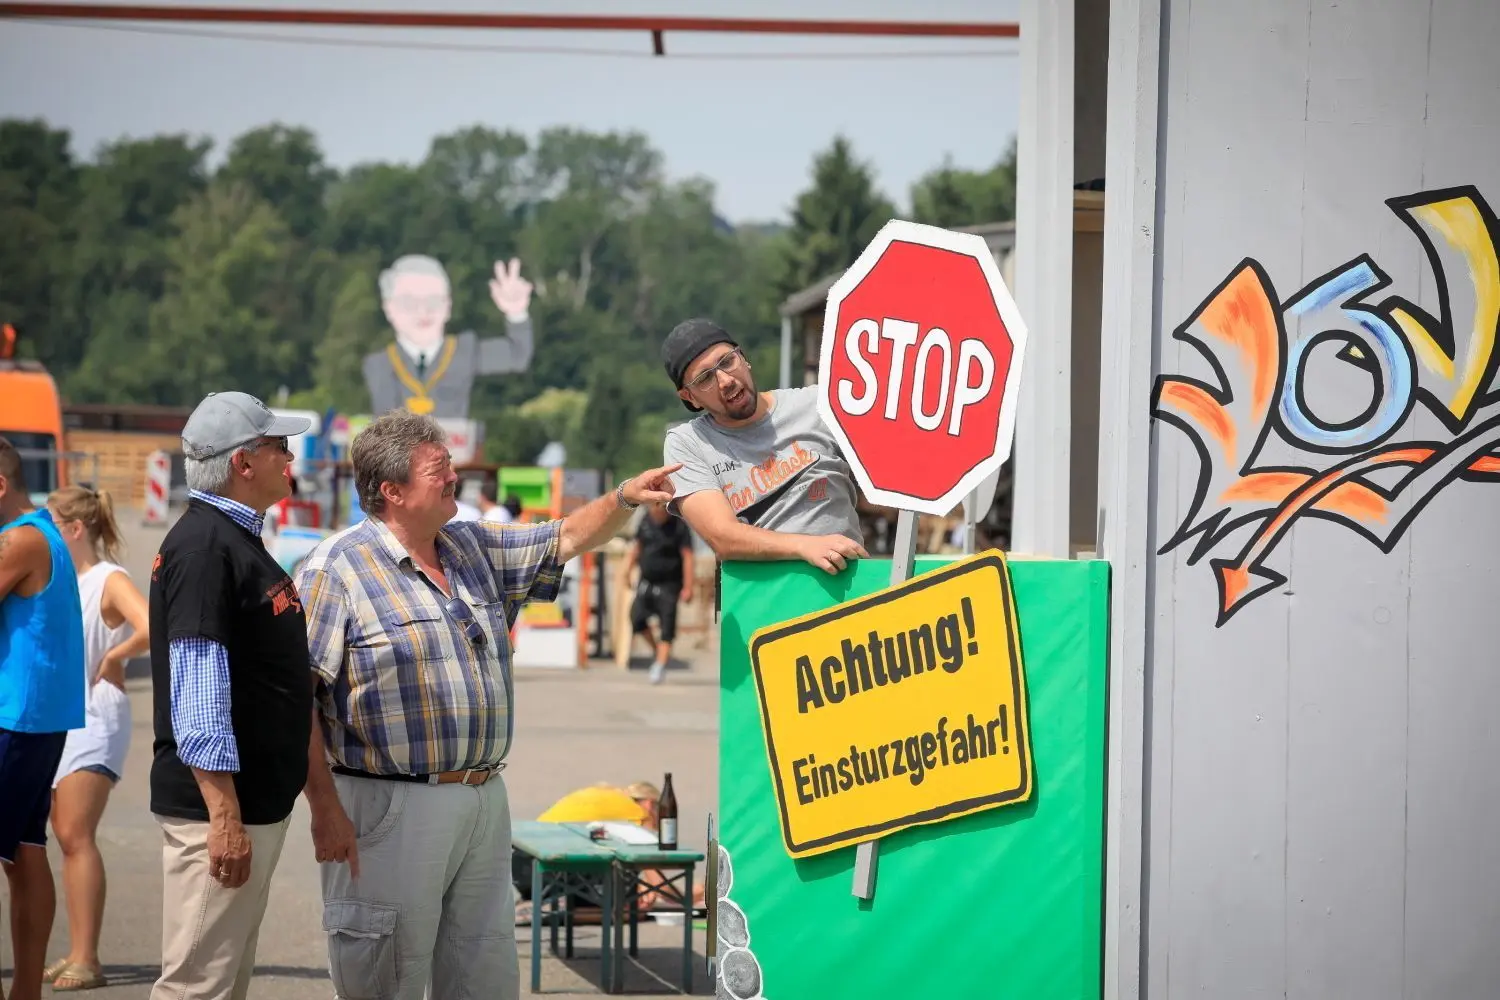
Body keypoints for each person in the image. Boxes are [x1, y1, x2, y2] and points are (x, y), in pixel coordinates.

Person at [294, 409, 680, 1000]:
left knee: (483, 976)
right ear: (392, 491)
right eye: (438, 469)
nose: (455, 479)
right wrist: (324, 808)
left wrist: (626, 496)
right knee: (384, 979)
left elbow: (568, 536)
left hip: (481, 801)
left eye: (450, 464)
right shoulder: (335, 569)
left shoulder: (472, 546)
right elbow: (296, 697)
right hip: (388, 806)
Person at [147, 391, 312, 1000]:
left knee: (220, 983)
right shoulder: (207, 548)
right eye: (277, 445)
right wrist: (225, 819)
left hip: (248, 806)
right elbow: (198, 694)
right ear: (243, 463)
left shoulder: (230, 541)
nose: (289, 454)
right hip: (217, 813)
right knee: (195, 987)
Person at [40, 486, 149, 993]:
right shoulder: (61, 578)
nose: (43, 532)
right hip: (56, 717)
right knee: (57, 836)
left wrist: (115, 656)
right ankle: (74, 950)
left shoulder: (108, 577)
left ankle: (88, 957)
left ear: (75, 530)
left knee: (73, 833)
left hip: (96, 714)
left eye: (51, 523)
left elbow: (151, 625)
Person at [660, 318, 868, 575]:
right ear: (689, 397)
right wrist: (806, 547)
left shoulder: (818, 404)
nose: (726, 380)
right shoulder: (688, 443)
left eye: (727, 361)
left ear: (743, 357)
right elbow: (723, 538)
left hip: (849, 590)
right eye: (705, 378)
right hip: (760, 606)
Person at [0, 436, 86, 1000]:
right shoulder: (44, 532)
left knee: (23, 854)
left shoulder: (19, 541)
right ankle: (26, 990)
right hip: (37, 719)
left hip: (15, 718)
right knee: (25, 852)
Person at [362, 254, 535, 419]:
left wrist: (516, 313)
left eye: (433, 300)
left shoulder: (464, 352)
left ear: (448, 306)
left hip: (455, 447)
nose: (423, 311)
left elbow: (517, 355)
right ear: (389, 308)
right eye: (409, 302)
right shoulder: (379, 364)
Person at [622, 504, 695, 684]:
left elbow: (687, 557)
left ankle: (660, 666)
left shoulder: (679, 526)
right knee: (636, 618)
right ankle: (658, 651)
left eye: (660, 507)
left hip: (670, 584)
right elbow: (637, 547)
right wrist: (627, 570)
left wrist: (688, 586)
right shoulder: (645, 520)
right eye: (653, 507)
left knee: (667, 626)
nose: (656, 511)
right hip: (647, 581)